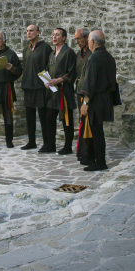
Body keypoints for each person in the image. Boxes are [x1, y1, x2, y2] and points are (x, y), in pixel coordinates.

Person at [79, 30, 117, 172]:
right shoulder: (109, 57)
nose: (88, 42)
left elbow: (90, 82)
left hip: (96, 99)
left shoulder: (94, 58)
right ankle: (94, 158)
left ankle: (100, 161)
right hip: (105, 98)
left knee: (97, 132)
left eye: (88, 40)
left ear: (93, 42)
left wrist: (85, 103)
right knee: (97, 130)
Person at [44, 28, 76, 154]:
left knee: (67, 120)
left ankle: (68, 146)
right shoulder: (52, 54)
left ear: (64, 37)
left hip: (64, 91)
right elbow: (47, 70)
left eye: (57, 35)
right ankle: (51, 145)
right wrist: (47, 81)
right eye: (53, 35)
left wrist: (59, 80)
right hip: (52, 92)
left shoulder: (69, 53)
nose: (54, 37)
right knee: (49, 118)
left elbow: (71, 72)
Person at [20, 24, 52, 150]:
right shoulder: (26, 49)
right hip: (28, 86)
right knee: (29, 116)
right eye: (27, 31)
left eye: (31, 31)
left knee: (43, 116)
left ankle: (47, 142)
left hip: (41, 87)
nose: (29, 33)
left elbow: (49, 66)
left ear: (38, 32)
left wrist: (49, 83)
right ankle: (31, 141)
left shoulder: (46, 48)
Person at [73, 28, 94, 165]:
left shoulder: (92, 55)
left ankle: (89, 153)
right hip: (79, 93)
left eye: (79, 39)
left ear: (87, 38)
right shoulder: (78, 54)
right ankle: (83, 152)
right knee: (82, 123)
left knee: (89, 125)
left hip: (88, 95)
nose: (77, 42)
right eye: (75, 39)